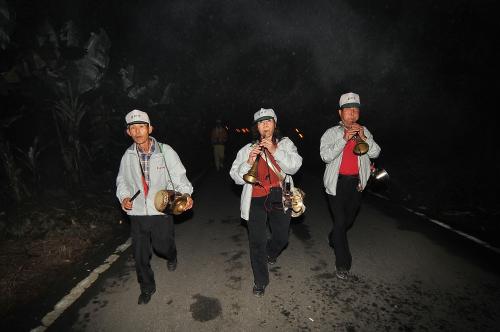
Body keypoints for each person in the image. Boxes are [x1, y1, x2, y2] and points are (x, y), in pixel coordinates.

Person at [116, 109, 194, 305]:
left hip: (161, 209)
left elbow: (179, 177)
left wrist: (186, 195)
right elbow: (122, 181)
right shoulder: (128, 156)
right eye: (132, 128)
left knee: (162, 246)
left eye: (141, 127)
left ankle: (171, 254)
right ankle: (147, 287)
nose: (137, 132)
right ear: (128, 132)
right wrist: (124, 197)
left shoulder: (165, 151)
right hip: (138, 212)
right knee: (140, 255)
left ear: (150, 128)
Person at [230, 108, 302, 297]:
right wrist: (248, 161)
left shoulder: (286, 144)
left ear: (275, 124)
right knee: (256, 242)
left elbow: (294, 166)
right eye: (261, 122)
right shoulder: (246, 149)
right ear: (256, 127)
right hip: (255, 197)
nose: (265, 125)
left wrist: (275, 150)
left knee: (282, 237)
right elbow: (235, 176)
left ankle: (271, 252)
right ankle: (260, 281)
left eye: (268, 121)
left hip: (281, 194)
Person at [320, 92, 381, 280]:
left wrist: (364, 138)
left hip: (356, 184)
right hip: (336, 183)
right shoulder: (331, 133)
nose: (352, 114)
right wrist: (344, 139)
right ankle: (343, 264)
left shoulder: (364, 130)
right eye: (348, 110)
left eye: (355, 110)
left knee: (348, 221)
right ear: (340, 113)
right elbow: (325, 156)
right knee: (340, 221)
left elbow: (376, 153)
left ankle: (333, 237)